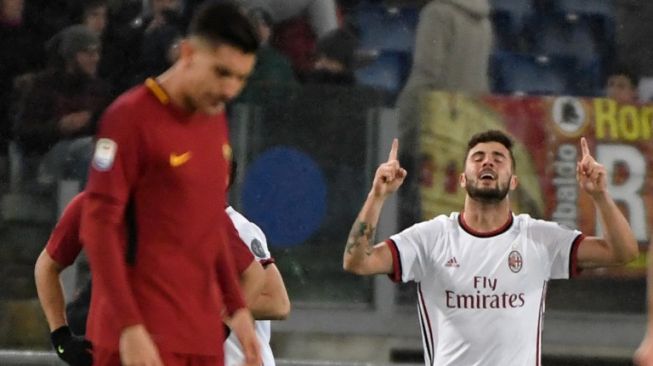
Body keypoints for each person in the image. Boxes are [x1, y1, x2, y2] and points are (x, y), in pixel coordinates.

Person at [343, 130, 639, 365]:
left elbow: (622, 253)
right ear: (461, 179)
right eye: (478, 157)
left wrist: (599, 195)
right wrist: (377, 195)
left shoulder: (539, 238)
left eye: (498, 158)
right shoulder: (430, 238)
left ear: (513, 182)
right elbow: (358, 262)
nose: (488, 162)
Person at [79, 2, 262, 366]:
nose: (230, 89)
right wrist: (129, 326)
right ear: (188, 53)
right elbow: (98, 226)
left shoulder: (214, 118)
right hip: (137, 337)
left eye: (241, 78)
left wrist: (238, 310)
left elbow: (210, 225)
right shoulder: (129, 118)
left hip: (201, 336)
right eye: (222, 72)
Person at [35, 191, 266, 366]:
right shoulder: (94, 202)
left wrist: (219, 329)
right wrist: (61, 337)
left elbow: (253, 276)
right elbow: (47, 266)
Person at [395, 0, 493, 229]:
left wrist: (400, 127)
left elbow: (426, 76)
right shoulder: (484, 21)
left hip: (435, 130)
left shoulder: (437, 14)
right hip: (470, 128)